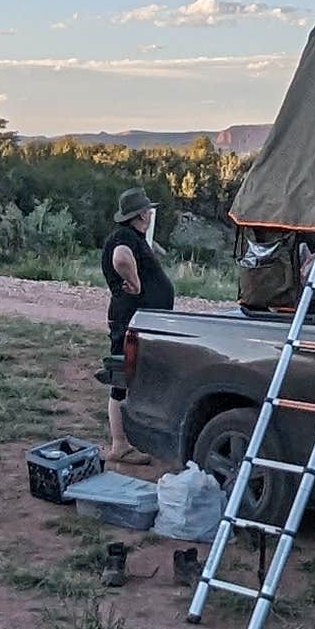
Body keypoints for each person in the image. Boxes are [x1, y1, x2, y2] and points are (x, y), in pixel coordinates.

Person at [101, 190, 176, 450]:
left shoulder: (134, 237)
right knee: (122, 378)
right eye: (149, 210)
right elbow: (121, 258)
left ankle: (131, 437)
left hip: (139, 319)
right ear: (143, 214)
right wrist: (135, 283)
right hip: (131, 320)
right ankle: (119, 445)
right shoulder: (124, 237)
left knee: (133, 377)